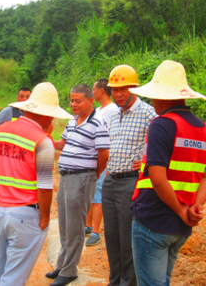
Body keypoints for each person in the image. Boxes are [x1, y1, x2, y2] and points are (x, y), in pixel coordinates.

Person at [0, 82, 73, 286]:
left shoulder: (2, 131)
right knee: (14, 277)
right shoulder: (43, 142)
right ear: (47, 114)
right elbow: (44, 187)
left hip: (0, 210)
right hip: (26, 215)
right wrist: (44, 217)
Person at [129, 60, 206, 286]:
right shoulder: (202, 128)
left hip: (154, 218)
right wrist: (195, 207)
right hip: (181, 227)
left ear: (160, 96)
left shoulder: (161, 124)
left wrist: (182, 210)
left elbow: (158, 179)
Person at [46, 84, 110, 286]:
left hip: (82, 179)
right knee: (65, 224)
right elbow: (63, 143)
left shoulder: (98, 124)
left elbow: (104, 156)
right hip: (66, 177)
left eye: (78, 101)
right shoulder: (73, 121)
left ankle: (69, 270)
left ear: (90, 101)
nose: (73, 104)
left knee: (75, 227)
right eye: (72, 101)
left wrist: (93, 176)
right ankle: (62, 264)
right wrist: (46, 140)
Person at [102, 65, 157, 286]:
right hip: (110, 180)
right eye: (115, 90)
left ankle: (128, 283)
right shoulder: (114, 114)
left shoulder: (148, 113)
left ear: (134, 88)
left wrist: (147, 162)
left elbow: (161, 145)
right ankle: (115, 281)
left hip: (131, 183)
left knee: (128, 239)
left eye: (123, 89)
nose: (118, 94)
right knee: (112, 238)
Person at [85, 79, 119, 246]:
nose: (93, 92)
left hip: (106, 156)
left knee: (98, 192)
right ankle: (88, 225)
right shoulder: (98, 110)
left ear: (102, 91)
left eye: (94, 89)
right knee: (92, 191)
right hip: (94, 156)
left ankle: (96, 231)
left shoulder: (113, 110)